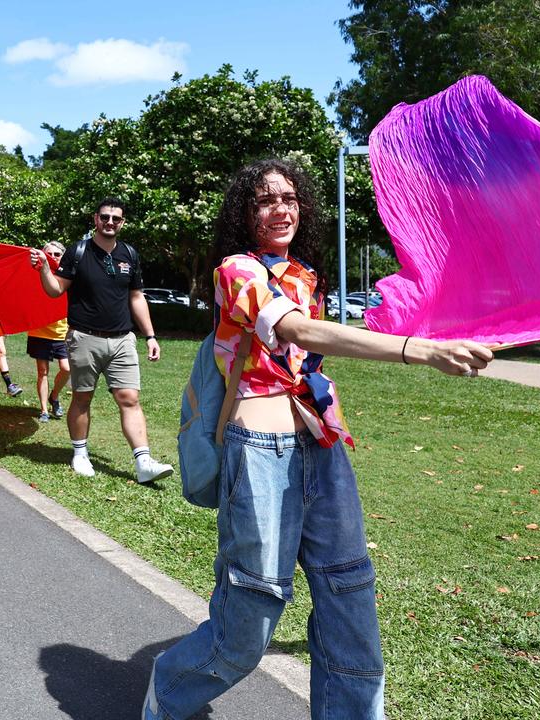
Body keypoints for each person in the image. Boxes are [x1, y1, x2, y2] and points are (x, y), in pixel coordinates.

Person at [141, 158, 493, 720]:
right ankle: (170, 686)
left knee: (350, 595)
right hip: (259, 451)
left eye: (290, 199)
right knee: (249, 617)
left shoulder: (305, 275)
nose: (281, 209)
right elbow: (294, 332)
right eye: (265, 200)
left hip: (322, 446)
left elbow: (318, 348)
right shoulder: (236, 271)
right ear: (244, 213)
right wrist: (420, 352)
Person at [29, 197, 173, 484]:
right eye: (105, 217)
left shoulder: (129, 254)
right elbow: (56, 290)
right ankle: (80, 454)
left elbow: (136, 296)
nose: (110, 222)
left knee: (129, 398)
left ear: (122, 223)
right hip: (84, 338)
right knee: (83, 398)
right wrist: (44, 269)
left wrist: (151, 335)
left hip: (122, 340)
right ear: (96, 219)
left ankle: (143, 461)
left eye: (115, 219)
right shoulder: (78, 251)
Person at [26, 242, 71, 422]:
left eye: (57, 254)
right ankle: (44, 410)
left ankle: (54, 396)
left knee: (66, 369)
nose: (53, 257)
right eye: (49, 253)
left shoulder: (67, 277)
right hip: (39, 332)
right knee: (42, 372)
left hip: (62, 333)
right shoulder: (33, 275)